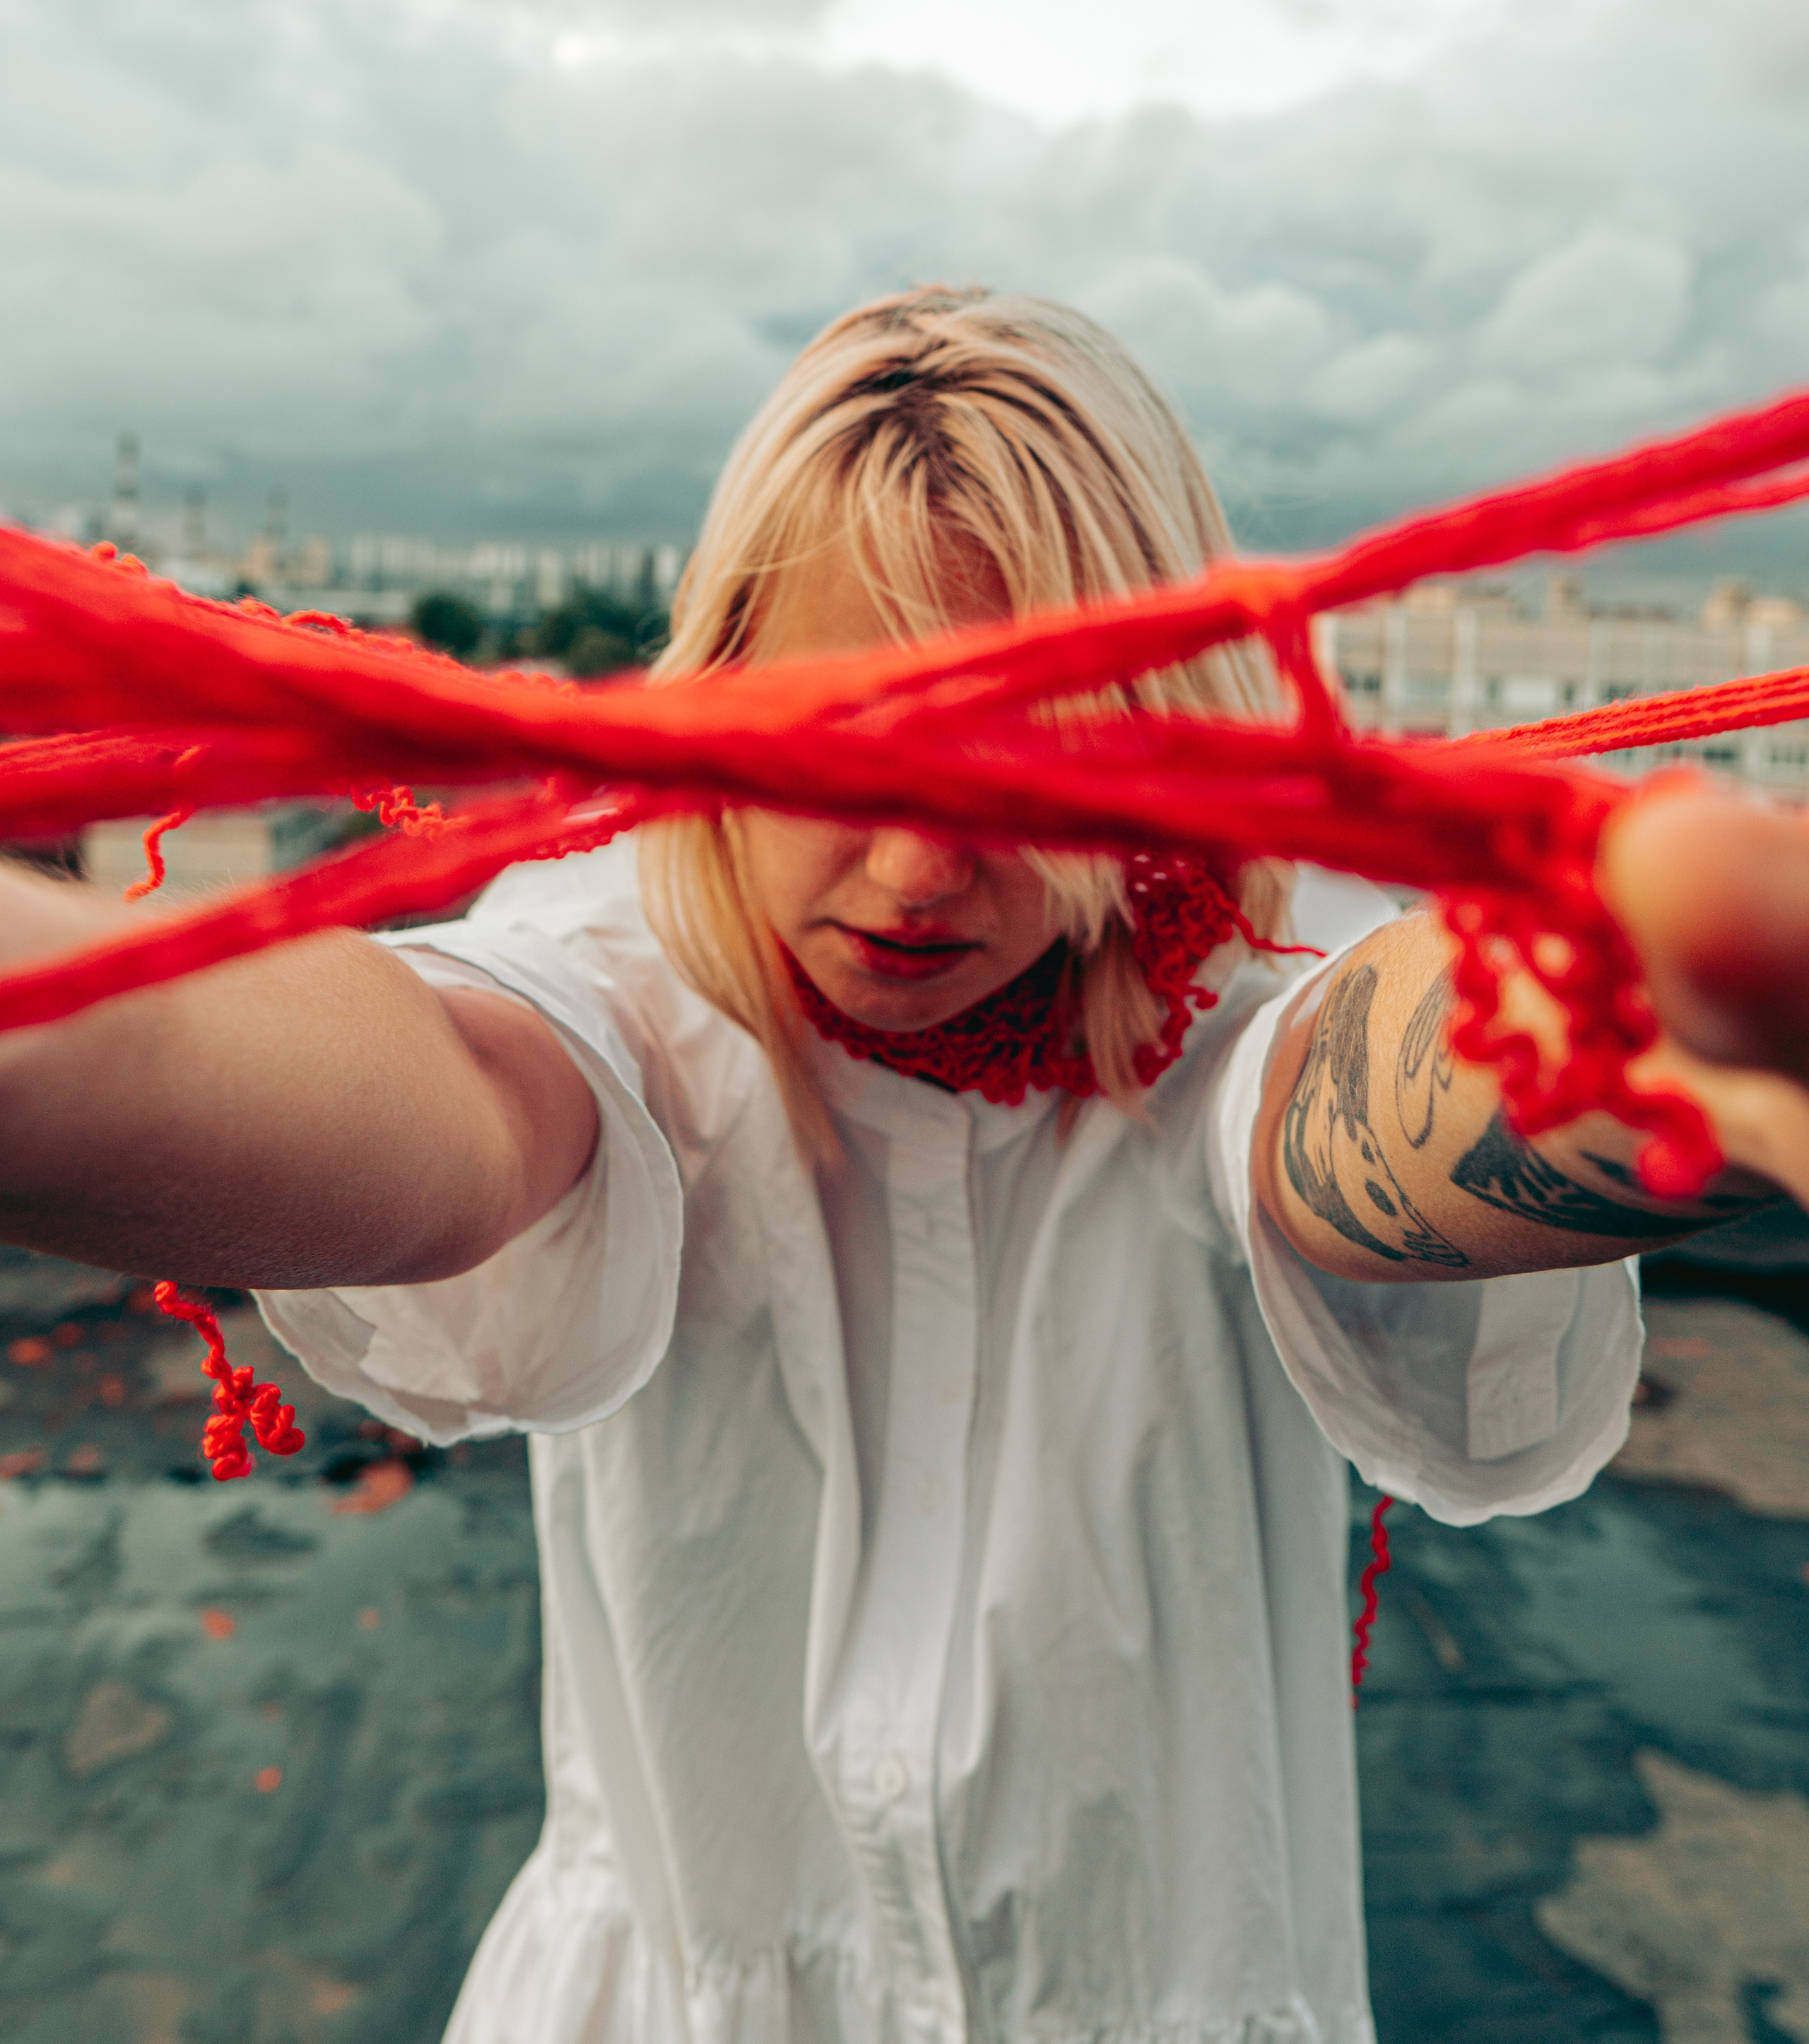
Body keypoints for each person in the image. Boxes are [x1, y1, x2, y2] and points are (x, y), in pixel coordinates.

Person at [1, 285, 1805, 2044]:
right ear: (705, 707)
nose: (915, 868)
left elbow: (1361, 1097)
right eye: (839, 744)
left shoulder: (1251, 983)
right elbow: (427, 1105)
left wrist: (1650, 1038)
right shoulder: (604, 972)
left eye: (1021, 768)